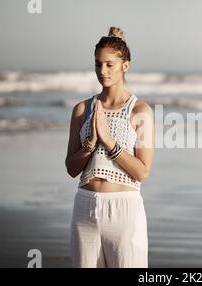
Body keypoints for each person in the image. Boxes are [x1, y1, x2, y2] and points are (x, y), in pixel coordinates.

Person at [65, 26, 154, 268]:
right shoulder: (82, 110)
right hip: (85, 207)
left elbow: (142, 172)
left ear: (125, 66)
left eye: (109, 64)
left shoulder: (140, 112)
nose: (102, 71)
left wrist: (109, 140)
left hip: (124, 211)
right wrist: (90, 144)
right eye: (97, 64)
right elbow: (71, 168)